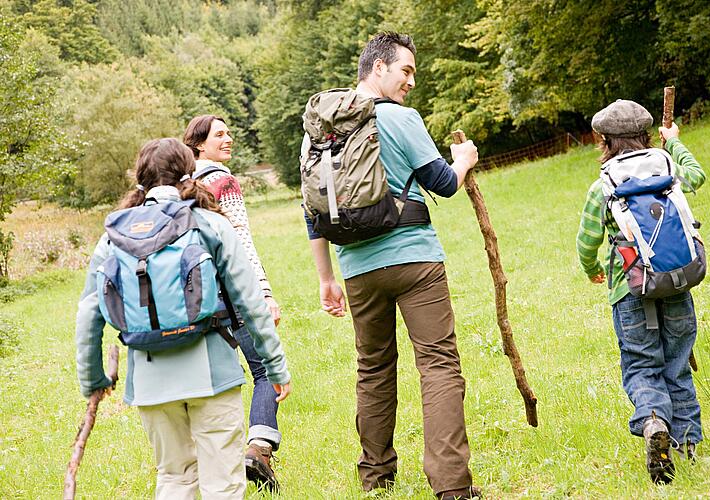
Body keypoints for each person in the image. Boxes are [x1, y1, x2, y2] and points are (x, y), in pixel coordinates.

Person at [304, 32, 481, 500]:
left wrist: (326, 279)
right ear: (377, 68)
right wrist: (462, 159)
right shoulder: (400, 118)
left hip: (357, 268)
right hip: (415, 260)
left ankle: (376, 479)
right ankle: (452, 488)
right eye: (406, 70)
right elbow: (442, 183)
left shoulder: (320, 132)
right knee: (439, 364)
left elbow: (313, 214)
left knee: (373, 369)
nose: (411, 81)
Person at [75, 138, 291, 499]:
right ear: (189, 173)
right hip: (212, 375)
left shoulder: (114, 237)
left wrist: (92, 379)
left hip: (148, 379)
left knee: (175, 477)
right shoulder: (209, 223)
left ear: (140, 179)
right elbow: (250, 302)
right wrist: (275, 369)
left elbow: (88, 314)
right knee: (223, 481)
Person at [576, 100, 705, 483]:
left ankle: (652, 423)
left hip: (630, 291)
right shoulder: (668, 167)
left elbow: (586, 243)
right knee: (677, 363)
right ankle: (689, 444)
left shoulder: (604, 185)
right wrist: (676, 142)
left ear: (603, 140)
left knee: (641, 364)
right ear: (647, 134)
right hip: (677, 282)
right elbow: (697, 176)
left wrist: (593, 269)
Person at [183, 115, 284, 490]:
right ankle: (259, 449)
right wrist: (264, 293)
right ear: (199, 144)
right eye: (219, 135)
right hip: (235, 294)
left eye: (229, 132)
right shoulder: (223, 181)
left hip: (200, 301)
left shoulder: (183, 185)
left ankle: (212, 466)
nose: (228, 139)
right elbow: (241, 242)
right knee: (266, 371)